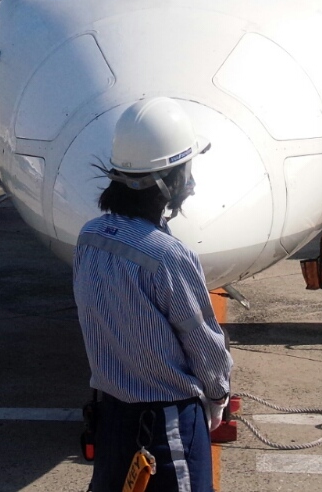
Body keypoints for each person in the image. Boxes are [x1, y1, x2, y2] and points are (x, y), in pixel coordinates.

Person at [73, 97, 233, 492]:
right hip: (165, 427)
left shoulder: (90, 238)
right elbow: (203, 343)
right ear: (170, 180)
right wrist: (218, 397)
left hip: (112, 419)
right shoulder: (168, 256)